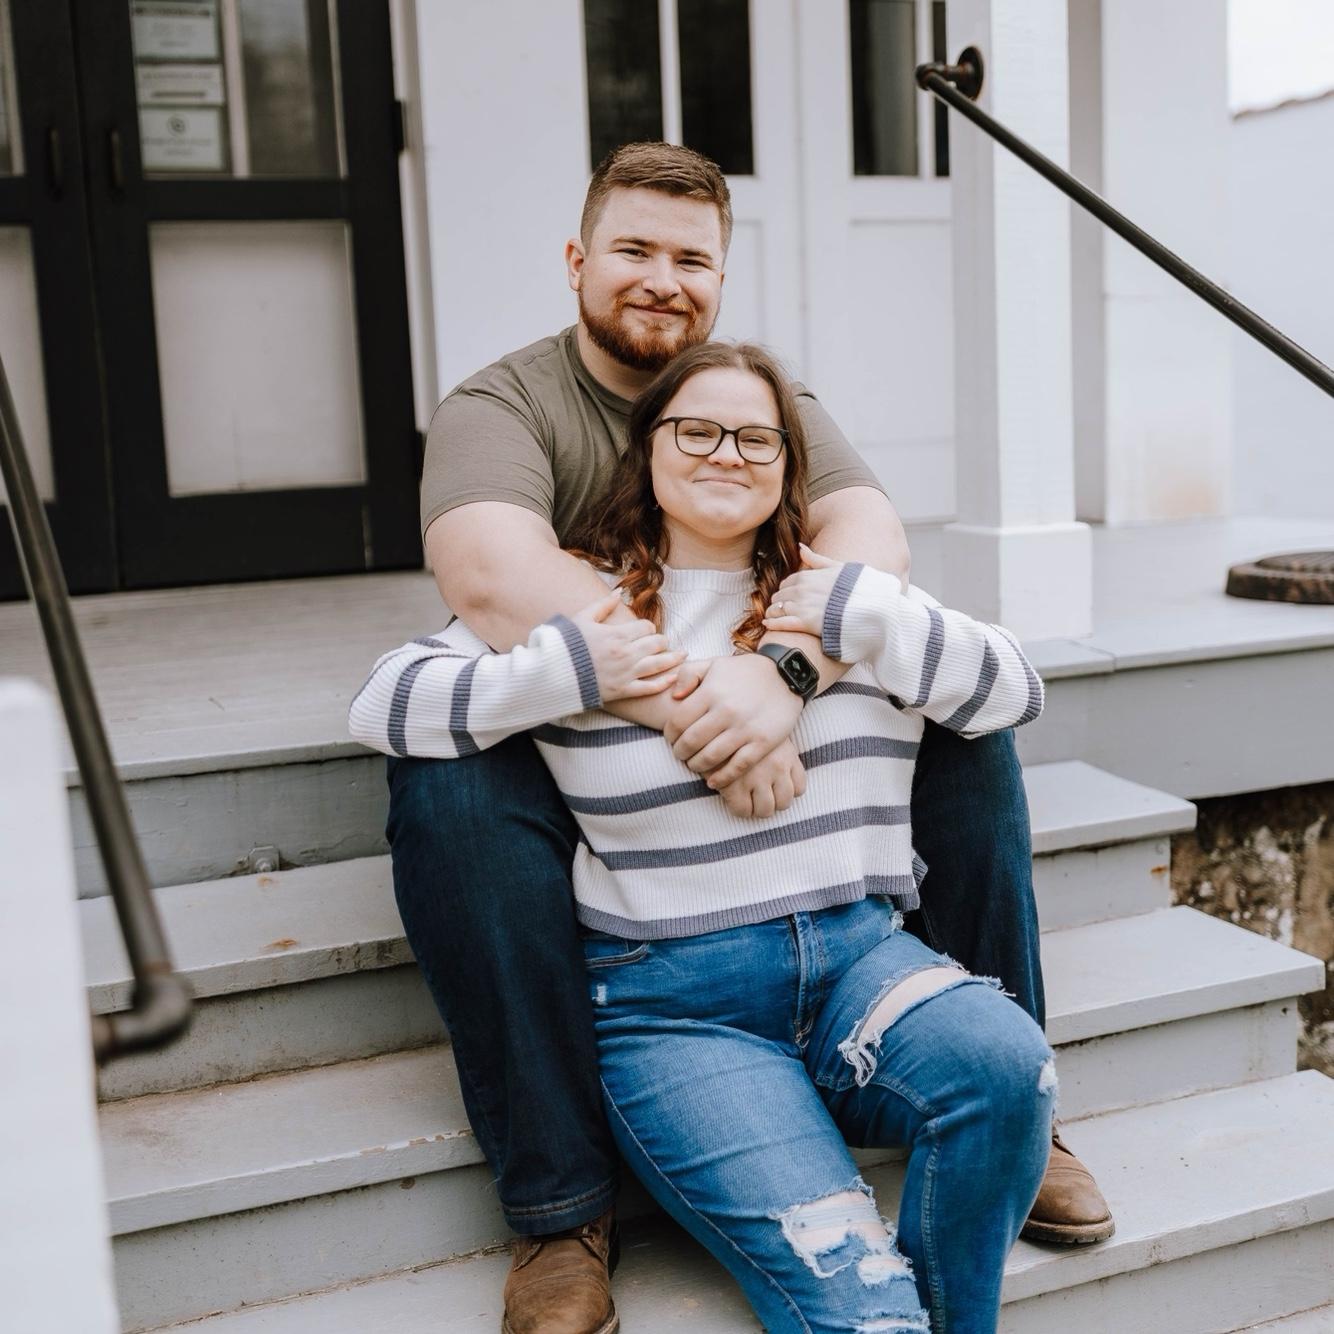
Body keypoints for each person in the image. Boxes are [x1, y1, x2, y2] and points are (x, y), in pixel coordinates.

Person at [379, 142, 1111, 1334]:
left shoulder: (751, 392)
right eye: (632, 249)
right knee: (448, 790)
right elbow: (491, 578)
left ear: (720, 277)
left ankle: (1010, 1104)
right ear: (575, 260)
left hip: (773, 768)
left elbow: (869, 535)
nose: (660, 279)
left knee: (962, 733)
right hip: (600, 739)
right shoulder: (500, 403)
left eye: (691, 258)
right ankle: (560, 1205)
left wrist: (785, 673)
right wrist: (704, 711)